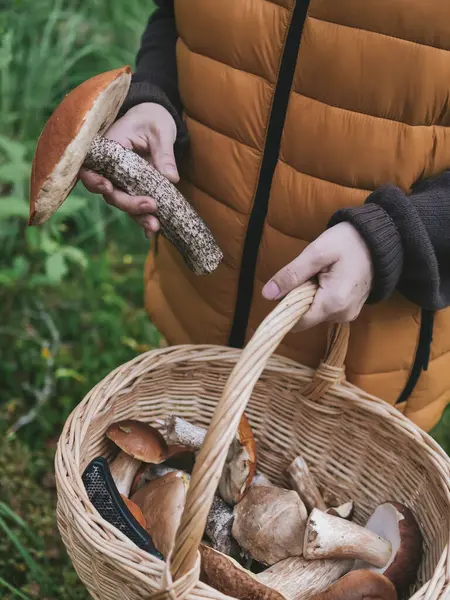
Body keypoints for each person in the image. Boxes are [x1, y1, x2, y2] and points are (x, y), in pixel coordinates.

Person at [80, 0, 450, 432]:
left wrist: (395, 237)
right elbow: (176, 17)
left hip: (359, 359)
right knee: (180, 469)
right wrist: (154, 96)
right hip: (198, 303)